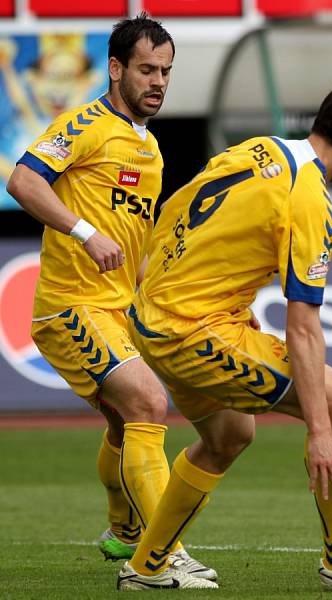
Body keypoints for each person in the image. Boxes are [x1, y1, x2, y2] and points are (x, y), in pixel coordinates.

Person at [117, 81, 332, 593]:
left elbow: (179, 212)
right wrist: (321, 431)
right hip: (191, 330)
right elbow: (303, 326)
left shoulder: (260, 149)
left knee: (230, 436)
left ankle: (147, 566)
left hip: (153, 315)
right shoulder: (311, 202)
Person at [6, 13, 215, 587]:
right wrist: (82, 232)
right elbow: (22, 181)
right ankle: (159, 555)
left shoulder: (149, 147)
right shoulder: (87, 125)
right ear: (116, 68)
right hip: (69, 307)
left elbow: (133, 244)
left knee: (129, 424)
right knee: (148, 402)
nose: (158, 82)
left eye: (166, 71)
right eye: (147, 69)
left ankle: (124, 531)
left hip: (115, 309)